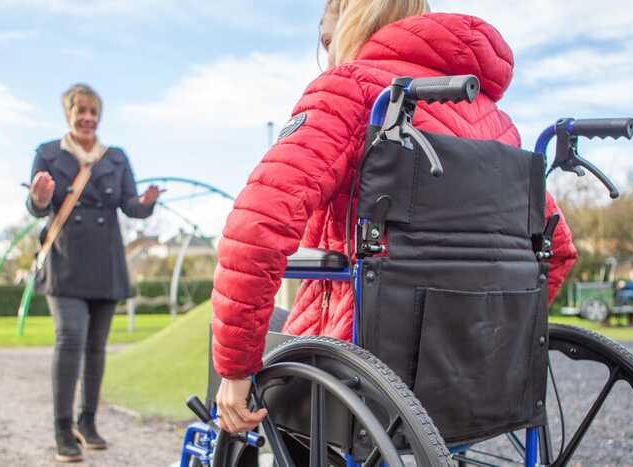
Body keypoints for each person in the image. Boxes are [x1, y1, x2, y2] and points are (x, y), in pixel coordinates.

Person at [211, 0, 578, 434]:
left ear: (351, 25)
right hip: (469, 379)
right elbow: (557, 251)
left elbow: (256, 227)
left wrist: (235, 368)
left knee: (231, 338)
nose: (326, 55)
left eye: (326, 40)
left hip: (355, 375)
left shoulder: (351, 89)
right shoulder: (497, 124)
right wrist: (482, 339)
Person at [26, 84, 160, 462]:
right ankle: (62, 429)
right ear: (69, 113)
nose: (87, 118)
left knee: (96, 348)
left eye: (93, 112)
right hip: (65, 262)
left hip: (106, 263)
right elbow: (38, 206)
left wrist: (146, 203)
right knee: (70, 338)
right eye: (80, 111)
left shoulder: (115, 157)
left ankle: (88, 422)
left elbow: (130, 206)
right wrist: (38, 198)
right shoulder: (48, 153)